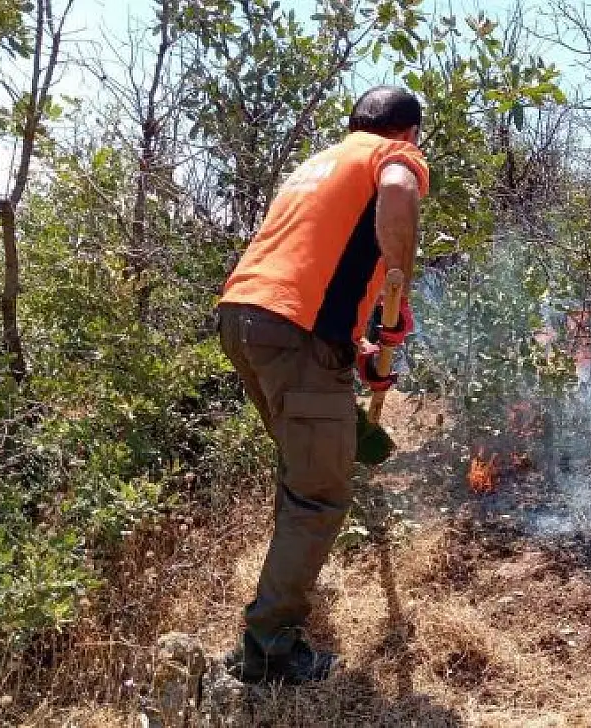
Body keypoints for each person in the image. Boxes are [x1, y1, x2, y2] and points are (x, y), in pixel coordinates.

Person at [214, 86, 428, 684]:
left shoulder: (320, 164)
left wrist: (358, 345)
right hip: (292, 333)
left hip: (247, 319)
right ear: (406, 132)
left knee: (303, 473)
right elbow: (400, 192)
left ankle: (270, 625)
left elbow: (313, 270)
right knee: (319, 494)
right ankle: (268, 652)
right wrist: (397, 295)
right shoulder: (393, 156)